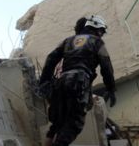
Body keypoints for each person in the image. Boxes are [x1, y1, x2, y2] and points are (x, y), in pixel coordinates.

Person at [38, 15, 116, 146]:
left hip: (61, 83)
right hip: (79, 83)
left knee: (57, 124)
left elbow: (51, 58)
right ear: (99, 30)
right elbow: (106, 66)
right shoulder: (97, 42)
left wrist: (44, 81)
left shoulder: (68, 41)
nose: (102, 35)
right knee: (74, 124)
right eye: (102, 32)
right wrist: (111, 89)